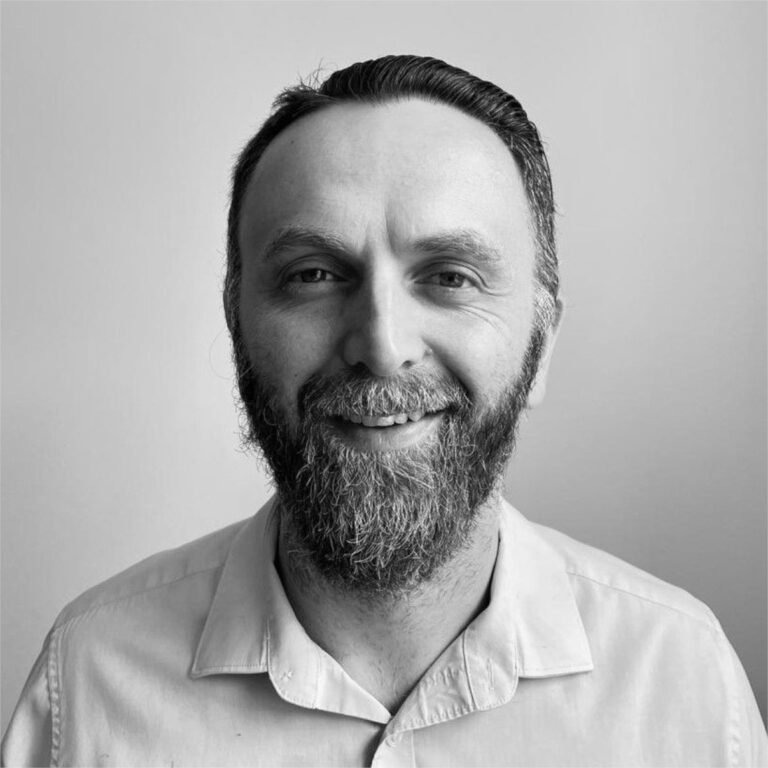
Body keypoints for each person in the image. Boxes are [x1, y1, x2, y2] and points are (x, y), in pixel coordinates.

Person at [2, 54, 766, 767]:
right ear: (237, 324)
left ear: (543, 342)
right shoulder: (89, 684)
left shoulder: (684, 684)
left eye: (451, 277)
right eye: (313, 273)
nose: (382, 344)